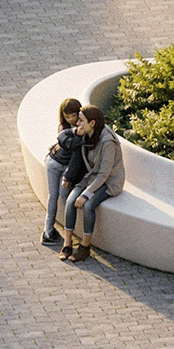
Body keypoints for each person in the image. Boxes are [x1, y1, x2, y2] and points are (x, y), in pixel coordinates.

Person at [59, 105, 125, 263]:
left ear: (92, 123)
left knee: (88, 206)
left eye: (81, 120)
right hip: (91, 177)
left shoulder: (107, 142)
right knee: (70, 201)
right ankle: (67, 243)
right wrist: (76, 132)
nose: (77, 123)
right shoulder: (85, 134)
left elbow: (104, 174)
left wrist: (85, 194)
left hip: (109, 181)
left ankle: (85, 246)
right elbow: (62, 137)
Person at [41, 97, 85, 245]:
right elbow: (71, 145)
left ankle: (69, 235)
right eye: (67, 116)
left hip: (64, 166)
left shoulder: (76, 129)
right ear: (63, 116)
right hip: (54, 163)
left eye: (74, 115)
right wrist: (76, 133)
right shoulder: (64, 128)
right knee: (53, 197)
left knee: (64, 196)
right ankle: (48, 232)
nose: (71, 119)